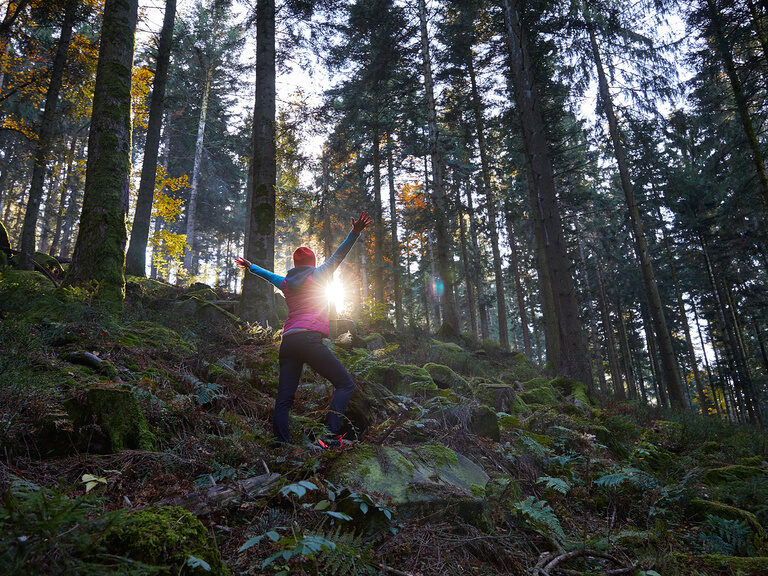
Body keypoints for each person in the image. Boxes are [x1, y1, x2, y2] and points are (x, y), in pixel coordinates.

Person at [235, 211, 373, 448]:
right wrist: (355, 232)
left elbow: (268, 276)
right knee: (345, 384)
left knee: (284, 398)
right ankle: (328, 437)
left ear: (296, 264)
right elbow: (338, 256)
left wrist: (250, 266)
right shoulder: (319, 275)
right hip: (309, 340)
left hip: (288, 342)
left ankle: (281, 443)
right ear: (312, 264)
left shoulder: (287, 282)